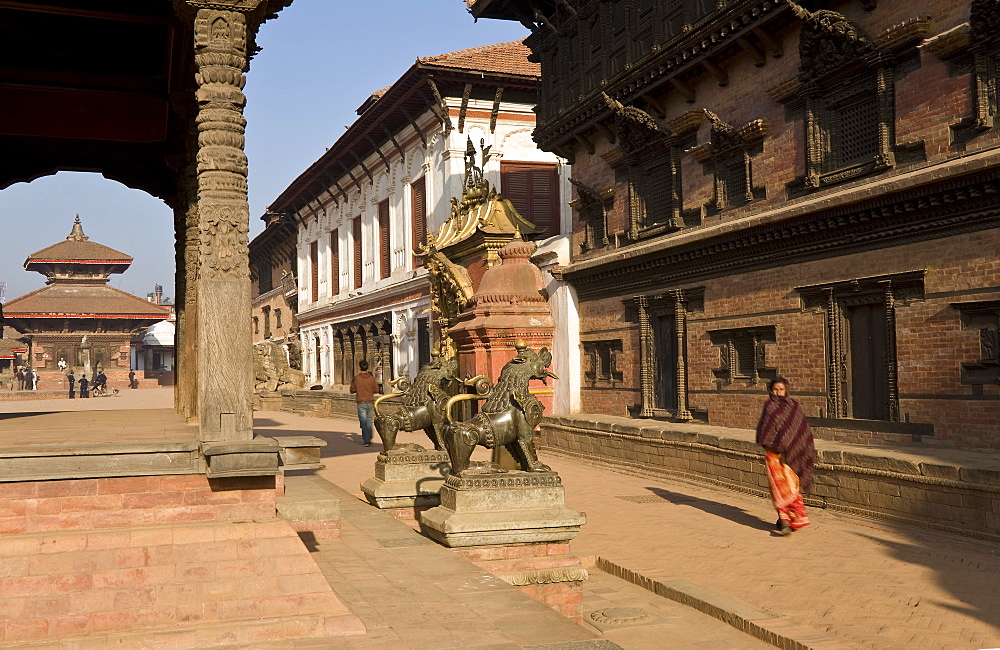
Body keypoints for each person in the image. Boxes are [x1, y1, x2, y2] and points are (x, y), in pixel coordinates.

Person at [755, 377, 815, 536]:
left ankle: (792, 519)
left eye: (781, 389)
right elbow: (765, 429)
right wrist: (775, 447)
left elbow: (801, 430)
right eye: (775, 389)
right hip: (773, 455)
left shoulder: (794, 407)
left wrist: (793, 449)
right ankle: (784, 520)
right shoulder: (769, 406)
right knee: (779, 488)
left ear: (786, 390)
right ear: (770, 390)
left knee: (792, 486)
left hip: (791, 455)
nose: (778, 392)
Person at [349, 360, 379, 447]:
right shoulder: (371, 378)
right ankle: (369, 436)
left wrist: (359, 388)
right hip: (370, 401)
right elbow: (376, 390)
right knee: (369, 420)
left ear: (360, 367)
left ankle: (366, 440)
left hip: (361, 401)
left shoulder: (357, 378)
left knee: (363, 421)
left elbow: (352, 390)